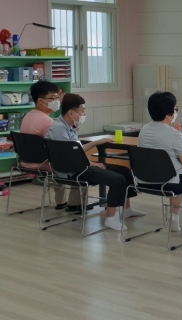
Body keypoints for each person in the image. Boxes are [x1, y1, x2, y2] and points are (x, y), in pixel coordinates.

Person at [45, 94, 144, 231]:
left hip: (79, 166)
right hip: (72, 171)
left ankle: (127, 209)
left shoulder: (68, 126)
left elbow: (76, 150)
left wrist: (96, 142)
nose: (84, 114)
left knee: (125, 171)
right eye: (82, 111)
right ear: (71, 113)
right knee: (117, 179)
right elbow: (68, 158)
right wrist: (94, 164)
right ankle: (110, 218)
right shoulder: (59, 129)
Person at [139, 92, 182, 234]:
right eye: (175, 109)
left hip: (145, 180)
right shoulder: (174, 134)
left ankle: (174, 218)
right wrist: (181, 136)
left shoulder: (143, 130)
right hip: (169, 182)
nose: (176, 112)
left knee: (180, 173)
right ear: (169, 114)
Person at [20, 81, 80, 210]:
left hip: (26, 161)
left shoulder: (28, 116)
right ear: (40, 101)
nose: (57, 101)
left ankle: (61, 201)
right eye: (53, 98)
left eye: (58, 98)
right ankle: (75, 204)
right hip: (42, 163)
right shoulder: (48, 122)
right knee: (78, 164)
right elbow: (62, 147)